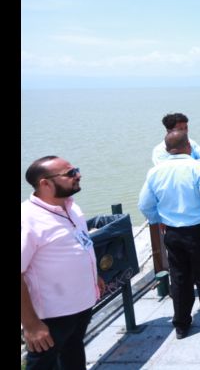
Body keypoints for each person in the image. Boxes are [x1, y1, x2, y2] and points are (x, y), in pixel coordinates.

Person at [21, 156, 105, 370]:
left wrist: (94, 277)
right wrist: (31, 325)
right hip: (52, 315)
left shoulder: (71, 206)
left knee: (74, 353)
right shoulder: (27, 219)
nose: (78, 175)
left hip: (82, 304)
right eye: (70, 173)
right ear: (45, 183)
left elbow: (81, 246)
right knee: (43, 364)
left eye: (75, 169)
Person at [138, 130, 200, 339]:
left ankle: (182, 325)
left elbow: (144, 205)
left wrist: (159, 220)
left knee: (179, 278)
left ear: (167, 149)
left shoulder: (155, 172)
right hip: (198, 231)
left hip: (172, 232)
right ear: (189, 147)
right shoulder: (198, 168)